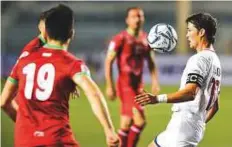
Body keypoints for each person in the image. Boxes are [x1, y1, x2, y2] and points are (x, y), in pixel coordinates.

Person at [1, 4, 119, 147]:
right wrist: (109, 131)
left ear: (45, 32)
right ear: (71, 34)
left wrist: (26, 125)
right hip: (56, 140)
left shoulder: (25, 58)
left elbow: (3, 102)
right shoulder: (72, 64)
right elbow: (94, 94)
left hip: (24, 141)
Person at [135, 12, 221, 147]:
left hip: (183, 127)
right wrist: (199, 123)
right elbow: (215, 106)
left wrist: (157, 99)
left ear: (202, 32)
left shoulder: (199, 59)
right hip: (184, 126)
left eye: (189, 30)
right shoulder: (215, 61)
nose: (187, 35)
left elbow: (190, 93)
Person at [105, 7, 160, 147]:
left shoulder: (145, 39)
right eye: (134, 16)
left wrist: (155, 81)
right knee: (141, 121)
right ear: (127, 20)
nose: (137, 19)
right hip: (125, 86)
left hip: (138, 87)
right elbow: (108, 61)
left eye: (140, 16)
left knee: (126, 123)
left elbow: (151, 62)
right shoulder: (120, 38)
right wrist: (109, 85)